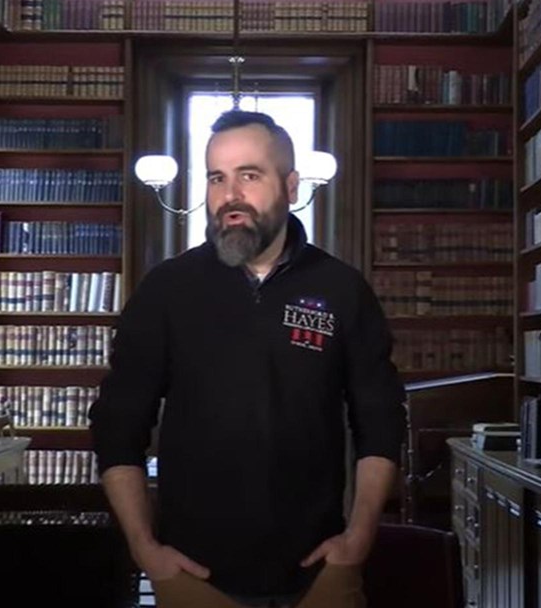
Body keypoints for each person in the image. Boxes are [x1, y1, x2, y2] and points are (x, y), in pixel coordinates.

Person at [89, 109, 406, 608]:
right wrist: (145, 547)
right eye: (217, 177)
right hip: (194, 578)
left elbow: (381, 422)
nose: (229, 195)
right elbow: (116, 424)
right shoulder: (166, 290)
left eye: (250, 175)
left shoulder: (342, 289)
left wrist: (358, 539)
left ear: (292, 186)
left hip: (321, 574)